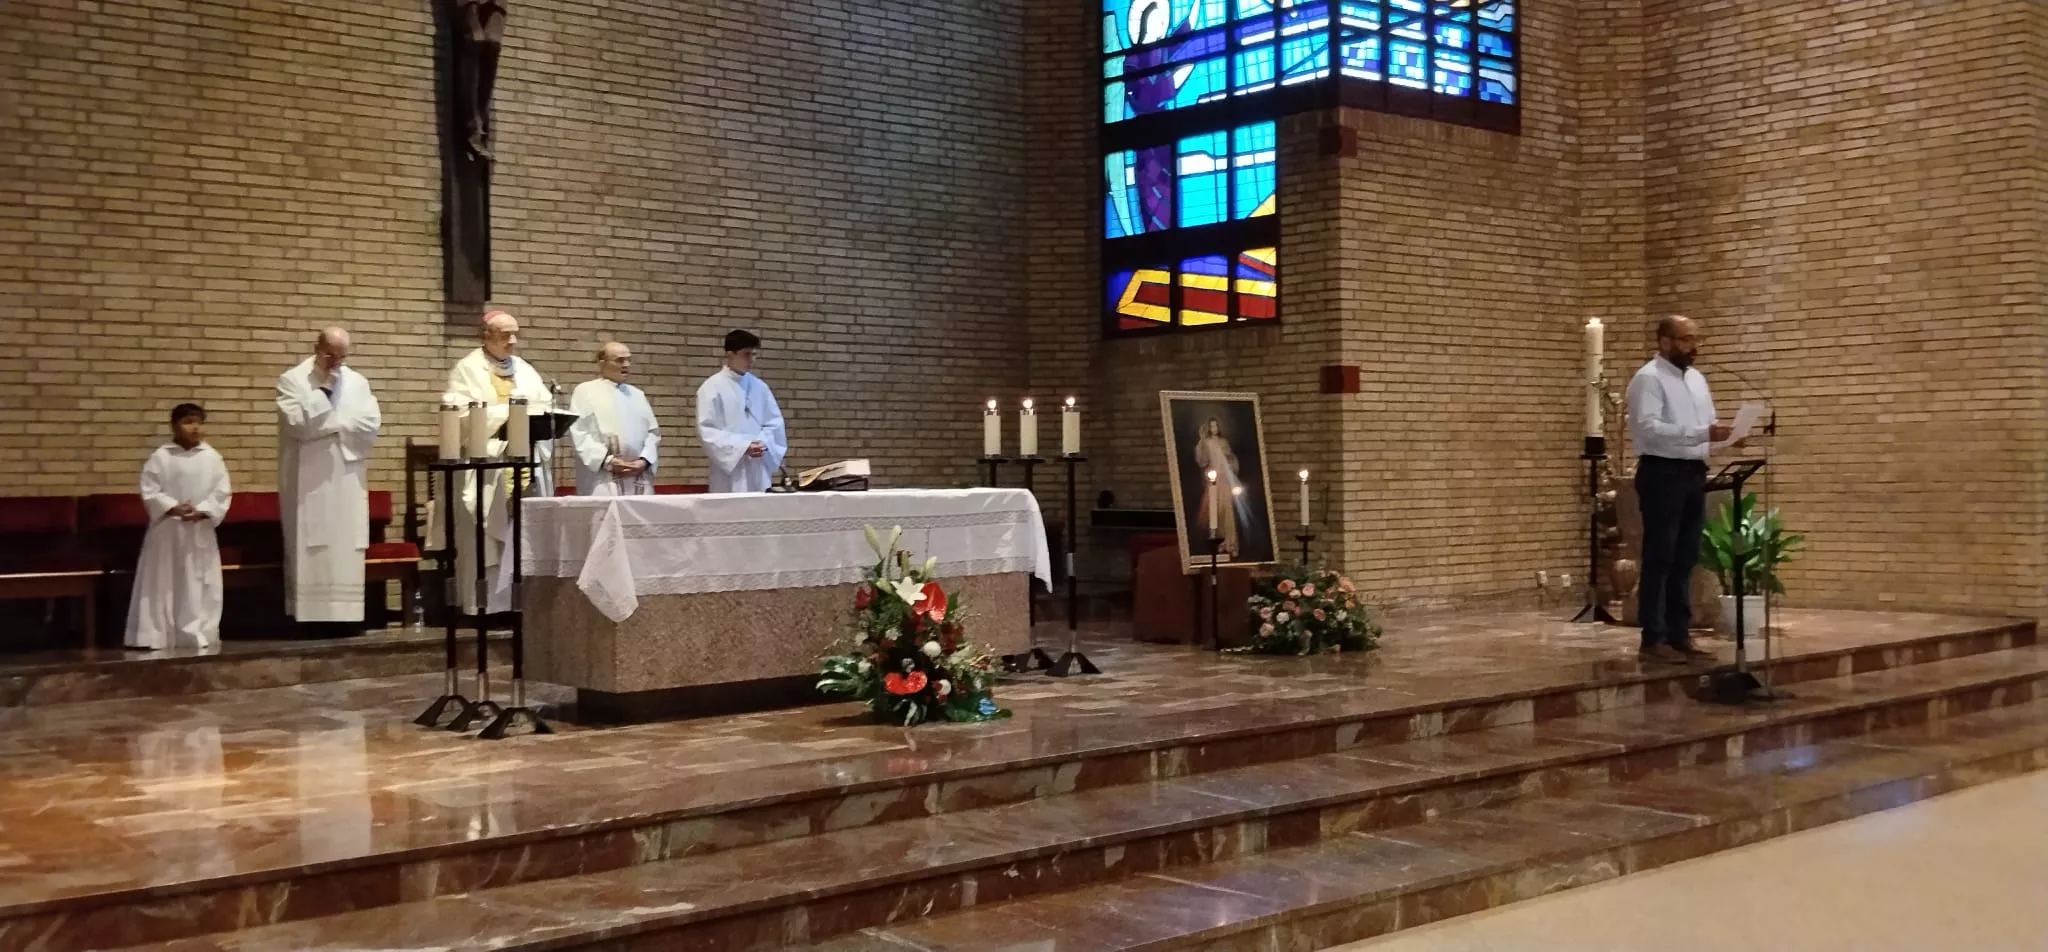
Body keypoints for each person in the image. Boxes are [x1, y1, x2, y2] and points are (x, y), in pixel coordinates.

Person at [1626, 315, 1734, 664]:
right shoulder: (1649, 379)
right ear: (1665, 341)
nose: (1693, 346)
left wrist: (1727, 439)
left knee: (1685, 557)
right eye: (1685, 339)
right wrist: (1705, 434)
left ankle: (1679, 634)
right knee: (1660, 557)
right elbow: (1651, 429)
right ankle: (1652, 638)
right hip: (1662, 473)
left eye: (1695, 338)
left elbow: (1705, 429)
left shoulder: (1698, 380)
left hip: (1692, 473)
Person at [435, 309, 553, 612]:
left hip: (523, 464)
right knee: (483, 537)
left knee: (524, 534)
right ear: (486, 335)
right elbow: (462, 415)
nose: (512, 341)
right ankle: (485, 606)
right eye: (505, 335)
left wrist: (523, 417)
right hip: (487, 466)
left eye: (515, 334)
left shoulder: (526, 370)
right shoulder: (467, 369)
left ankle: (520, 605)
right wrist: (511, 415)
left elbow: (543, 405)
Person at [277, 327, 382, 635]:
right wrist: (323, 391)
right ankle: (310, 619)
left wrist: (329, 425)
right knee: (311, 544)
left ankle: (346, 618)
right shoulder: (293, 380)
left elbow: (369, 424)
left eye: (342, 356)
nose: (336, 362)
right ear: (316, 347)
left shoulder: (358, 382)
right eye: (329, 355)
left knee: (345, 543)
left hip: (347, 478)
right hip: (307, 484)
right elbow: (297, 424)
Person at [126, 403, 233, 651]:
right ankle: (157, 634)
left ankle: (196, 633)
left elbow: (222, 491)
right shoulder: (161, 457)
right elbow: (150, 490)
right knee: (164, 583)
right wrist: (173, 507)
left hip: (199, 530)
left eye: (199, 422)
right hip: (168, 532)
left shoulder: (212, 458)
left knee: (198, 582)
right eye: (188, 422)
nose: (195, 428)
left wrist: (203, 510)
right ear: (174, 425)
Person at [695, 329, 786, 493]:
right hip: (730, 469)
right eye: (746, 354)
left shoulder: (760, 387)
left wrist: (762, 443)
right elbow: (707, 430)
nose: (752, 360)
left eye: (755, 355)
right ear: (730, 354)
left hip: (758, 467)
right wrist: (743, 446)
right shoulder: (711, 387)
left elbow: (774, 423)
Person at [569, 341, 661, 496]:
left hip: (638, 476)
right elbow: (579, 432)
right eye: (619, 360)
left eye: (628, 360)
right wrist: (607, 460)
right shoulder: (586, 391)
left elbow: (653, 433)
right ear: (602, 363)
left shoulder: (637, 395)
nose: (626, 365)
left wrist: (644, 461)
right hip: (603, 478)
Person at [1192, 417, 1241, 558]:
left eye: (1216, 427)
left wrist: (1230, 463)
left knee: (1227, 511)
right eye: (1211, 427)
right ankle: (1218, 543)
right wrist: (1201, 440)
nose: (1214, 429)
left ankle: (1230, 543)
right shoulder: (1206, 442)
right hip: (1214, 480)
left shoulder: (1223, 442)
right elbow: (1202, 461)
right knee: (1215, 510)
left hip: (1225, 479)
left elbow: (1230, 458)